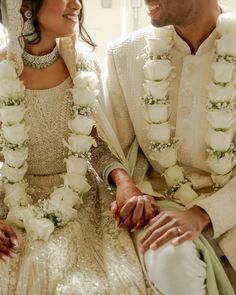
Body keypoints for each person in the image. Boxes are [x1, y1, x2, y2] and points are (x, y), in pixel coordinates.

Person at [0, 0, 148, 294]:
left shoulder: (83, 65)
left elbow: (96, 147)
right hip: (14, 203)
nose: (77, 4)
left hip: (82, 199)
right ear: (26, 6)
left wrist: (125, 182)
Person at [105, 0, 236, 294]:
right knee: (170, 259)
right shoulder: (123, 55)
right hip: (161, 203)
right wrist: (127, 185)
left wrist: (204, 213)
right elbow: (113, 148)